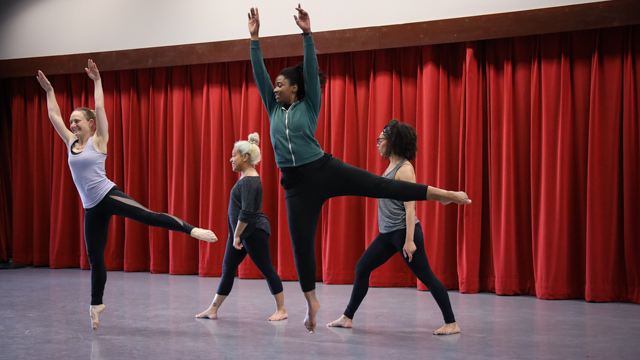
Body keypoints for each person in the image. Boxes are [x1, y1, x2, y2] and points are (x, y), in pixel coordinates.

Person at [248, 4, 471, 333]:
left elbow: (310, 70)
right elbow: (258, 73)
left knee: (379, 186)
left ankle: (441, 195)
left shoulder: (309, 105)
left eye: (281, 83)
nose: (276, 87)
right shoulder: (272, 107)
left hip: (322, 169)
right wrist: (254, 38)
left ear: (295, 88)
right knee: (300, 244)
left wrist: (307, 35)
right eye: (275, 84)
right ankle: (311, 301)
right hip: (295, 185)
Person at [36, 60, 218, 331]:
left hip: (108, 195)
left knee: (148, 217)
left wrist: (97, 81)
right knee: (95, 257)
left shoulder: (99, 140)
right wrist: (50, 90)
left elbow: (100, 107)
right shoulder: (70, 143)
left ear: (90, 123)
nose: (72, 124)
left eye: (77, 121)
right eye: (71, 121)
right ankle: (96, 304)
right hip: (91, 208)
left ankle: (193, 231)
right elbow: (54, 117)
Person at [327, 120, 460, 335]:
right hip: (388, 234)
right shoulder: (390, 166)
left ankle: (451, 323)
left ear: (393, 142)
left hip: (404, 233)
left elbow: (410, 208)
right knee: (362, 268)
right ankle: (347, 317)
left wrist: (409, 240)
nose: (378, 143)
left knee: (426, 276)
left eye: (381, 140)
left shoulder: (405, 169)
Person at [196, 133, 287, 322]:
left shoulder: (249, 180)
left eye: (234, 155)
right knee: (228, 268)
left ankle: (282, 309)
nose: (231, 158)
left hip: (252, 232)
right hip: (241, 233)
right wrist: (236, 235)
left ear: (245, 157)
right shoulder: (246, 177)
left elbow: (246, 212)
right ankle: (213, 309)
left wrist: (237, 235)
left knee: (267, 269)